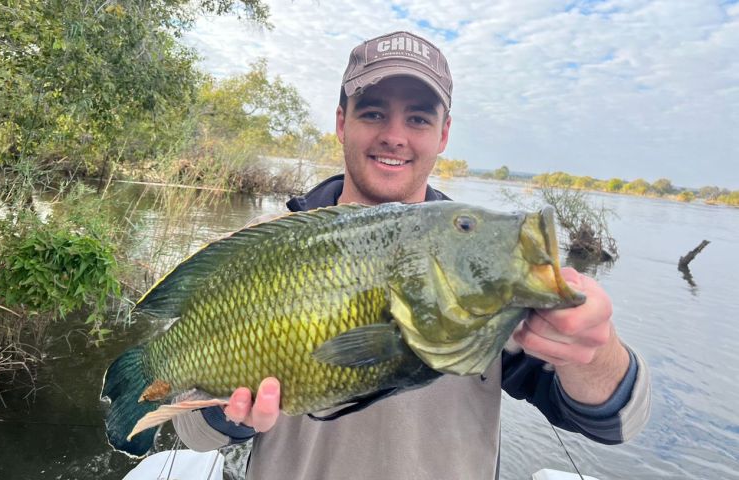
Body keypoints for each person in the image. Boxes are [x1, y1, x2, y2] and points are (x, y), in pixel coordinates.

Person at [173, 31, 651, 479]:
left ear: (443, 134)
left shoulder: (482, 272)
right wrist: (230, 412)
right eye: (374, 112)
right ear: (342, 123)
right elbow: (191, 433)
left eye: (419, 118)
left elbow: (614, 423)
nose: (395, 136)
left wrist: (592, 352)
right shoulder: (264, 249)